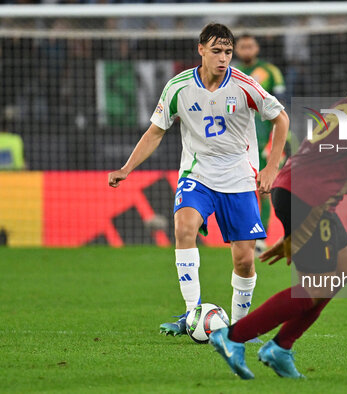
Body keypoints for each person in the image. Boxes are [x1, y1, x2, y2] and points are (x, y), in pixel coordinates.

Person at [209, 50, 347, 379]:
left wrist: (295, 230)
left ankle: (280, 348)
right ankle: (232, 337)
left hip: (292, 187)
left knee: (344, 267)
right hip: (308, 198)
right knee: (316, 285)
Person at [107, 23, 289, 337]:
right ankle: (193, 313)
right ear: (201, 49)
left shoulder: (245, 85)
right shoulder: (178, 87)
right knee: (184, 227)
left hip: (239, 177)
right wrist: (127, 168)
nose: (223, 58)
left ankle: (239, 326)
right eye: (217, 51)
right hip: (198, 173)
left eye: (228, 52)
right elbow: (156, 131)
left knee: (245, 259)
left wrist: (271, 167)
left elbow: (281, 118)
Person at [234, 34, 286, 255]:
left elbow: (283, 109)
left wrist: (277, 141)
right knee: (237, 188)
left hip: (263, 138)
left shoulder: (270, 71)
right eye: (242, 45)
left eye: (250, 45)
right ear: (236, 49)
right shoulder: (229, 72)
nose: (246, 49)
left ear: (257, 48)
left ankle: (261, 235)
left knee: (264, 188)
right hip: (235, 139)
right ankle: (241, 233)